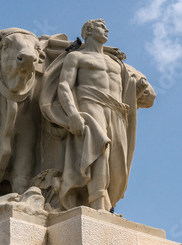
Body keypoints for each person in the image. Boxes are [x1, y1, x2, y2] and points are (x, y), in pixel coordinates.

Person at [40, 19, 145, 212]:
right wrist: (72, 114)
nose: (107, 30)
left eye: (106, 27)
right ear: (88, 30)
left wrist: (136, 90)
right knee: (99, 152)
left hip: (117, 111)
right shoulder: (76, 58)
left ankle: (107, 202)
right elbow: (64, 86)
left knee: (118, 166)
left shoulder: (116, 62)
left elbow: (126, 89)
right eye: (102, 27)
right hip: (90, 105)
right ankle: (97, 204)